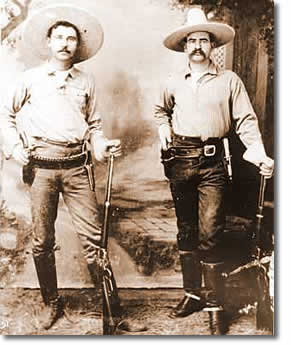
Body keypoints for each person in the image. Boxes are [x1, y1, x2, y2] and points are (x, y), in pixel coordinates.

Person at [0, 4, 146, 332]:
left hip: (78, 169)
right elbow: (4, 117)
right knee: (41, 241)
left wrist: (102, 144)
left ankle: (114, 313)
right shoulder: (31, 79)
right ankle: (51, 303)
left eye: (71, 38)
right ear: (48, 43)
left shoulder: (86, 81)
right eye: (59, 37)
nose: (65, 43)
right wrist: (15, 147)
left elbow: (92, 126)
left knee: (94, 241)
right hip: (42, 169)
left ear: (77, 46)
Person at [154, 7, 274, 318]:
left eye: (203, 40)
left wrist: (257, 151)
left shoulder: (229, 80)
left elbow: (245, 119)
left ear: (213, 46)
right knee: (186, 230)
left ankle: (212, 297)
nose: (197, 45)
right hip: (180, 160)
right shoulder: (172, 82)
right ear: (184, 47)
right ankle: (192, 294)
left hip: (213, 164)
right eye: (191, 40)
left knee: (210, 230)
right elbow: (160, 112)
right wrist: (163, 128)